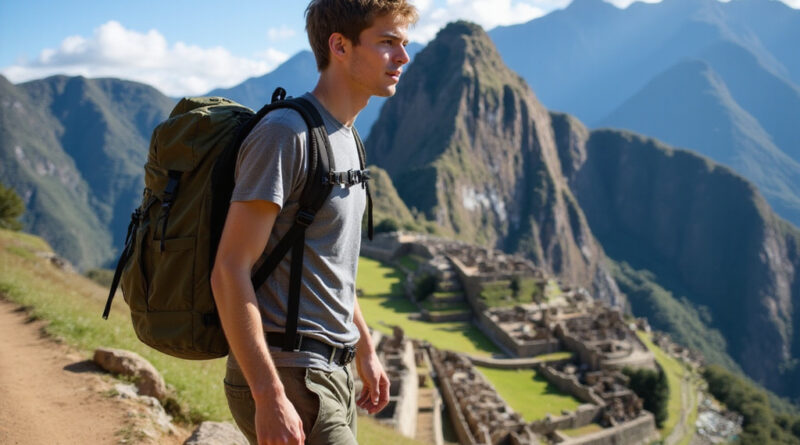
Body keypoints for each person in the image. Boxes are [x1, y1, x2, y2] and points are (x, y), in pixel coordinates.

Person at [209, 1, 418, 444]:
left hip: (332, 373)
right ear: (339, 46)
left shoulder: (347, 137)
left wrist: (364, 348)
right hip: (288, 373)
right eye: (387, 42)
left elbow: (331, 265)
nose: (403, 57)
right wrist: (268, 395)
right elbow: (229, 268)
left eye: (404, 43)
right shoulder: (286, 134)